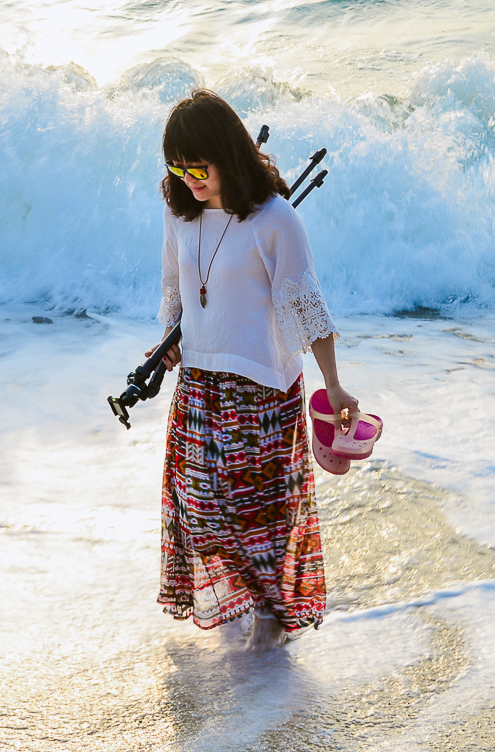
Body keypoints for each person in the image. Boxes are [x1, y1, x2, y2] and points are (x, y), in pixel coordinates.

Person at [150, 89, 359, 648]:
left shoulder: (275, 219)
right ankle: (241, 626)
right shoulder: (177, 210)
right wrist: (167, 345)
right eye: (177, 165)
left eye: (199, 164)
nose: (189, 177)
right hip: (198, 389)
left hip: (262, 393)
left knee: (261, 525)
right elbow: (177, 292)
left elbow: (306, 307)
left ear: (229, 153)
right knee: (202, 513)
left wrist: (333, 385)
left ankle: (269, 645)